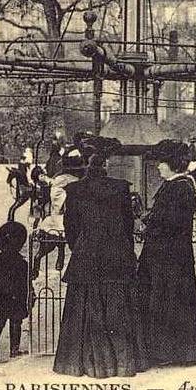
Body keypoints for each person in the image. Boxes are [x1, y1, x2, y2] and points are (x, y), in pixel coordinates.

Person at [52, 138, 147, 377]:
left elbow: (70, 228)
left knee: (85, 308)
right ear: (106, 165)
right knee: (118, 307)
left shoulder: (74, 190)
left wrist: (82, 247)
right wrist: (122, 248)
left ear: (85, 165)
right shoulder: (121, 188)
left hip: (86, 256)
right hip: (117, 256)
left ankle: (87, 363)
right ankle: (122, 363)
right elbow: (128, 225)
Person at [137, 139, 196, 368]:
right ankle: (169, 351)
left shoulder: (180, 187)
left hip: (169, 254)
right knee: (167, 298)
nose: (158, 167)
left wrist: (149, 226)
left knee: (169, 298)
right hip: (165, 253)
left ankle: (174, 352)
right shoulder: (174, 185)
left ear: (172, 164)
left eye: (162, 163)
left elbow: (172, 223)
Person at [31, 149, 83, 279]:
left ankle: (59, 261)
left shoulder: (62, 178)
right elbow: (60, 197)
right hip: (63, 216)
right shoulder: (68, 179)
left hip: (59, 213)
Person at [0, 222, 32, 358]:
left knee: (3, 323)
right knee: (11, 323)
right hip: (10, 299)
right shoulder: (21, 263)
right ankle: (9, 350)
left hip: (4, 298)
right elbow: (26, 283)